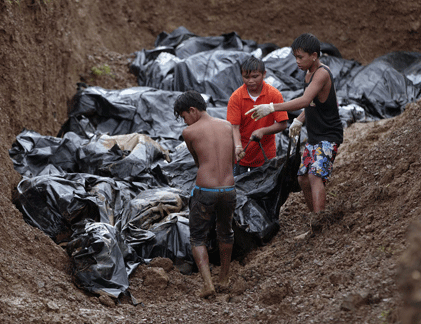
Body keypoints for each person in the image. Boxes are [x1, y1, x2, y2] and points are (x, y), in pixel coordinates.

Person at [246, 33, 343, 214]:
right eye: (295, 57)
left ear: (314, 55)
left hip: (329, 135)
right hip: (315, 136)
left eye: (300, 57)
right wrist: (298, 120)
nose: (297, 61)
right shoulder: (308, 74)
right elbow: (314, 103)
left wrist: (272, 107)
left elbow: (306, 100)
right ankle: (316, 217)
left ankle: (318, 221)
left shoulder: (321, 74)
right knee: (302, 179)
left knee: (315, 176)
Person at [173, 90, 236, 299]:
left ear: (192, 110)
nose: (185, 121)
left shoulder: (189, 132)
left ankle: (208, 284)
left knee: (198, 237)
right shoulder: (227, 126)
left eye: (183, 116)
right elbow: (232, 159)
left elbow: (197, 161)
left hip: (205, 190)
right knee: (225, 232)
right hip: (229, 189)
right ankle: (224, 278)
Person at [227, 56, 288, 176]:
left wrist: (263, 131)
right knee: (238, 188)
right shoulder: (236, 97)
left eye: (255, 77)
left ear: (264, 74)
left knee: (264, 189)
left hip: (265, 153)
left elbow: (283, 124)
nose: (250, 81)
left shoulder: (274, 95)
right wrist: (237, 146)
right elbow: (234, 127)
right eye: (246, 77)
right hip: (242, 153)